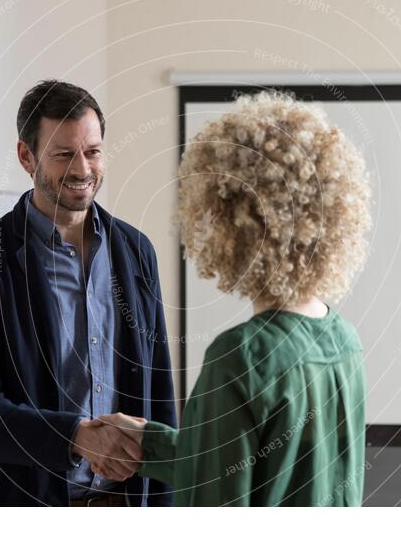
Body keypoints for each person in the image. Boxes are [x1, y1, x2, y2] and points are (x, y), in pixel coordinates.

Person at [94, 91, 372, 506]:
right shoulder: (344, 340)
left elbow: (214, 498)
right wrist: (148, 444)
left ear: (229, 221)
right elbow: (247, 465)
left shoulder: (240, 358)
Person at [0, 80, 176, 506]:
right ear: (25, 156)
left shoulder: (137, 251)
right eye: (64, 154)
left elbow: (158, 394)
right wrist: (74, 436)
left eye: (94, 151)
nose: (83, 169)